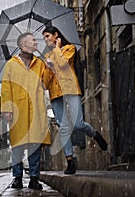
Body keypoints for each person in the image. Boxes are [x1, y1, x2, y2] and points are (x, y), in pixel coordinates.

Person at [42, 26, 107, 174]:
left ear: (56, 35)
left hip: (71, 90)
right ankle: (70, 161)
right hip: (55, 94)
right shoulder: (48, 56)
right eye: (44, 38)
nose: (46, 40)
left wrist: (57, 50)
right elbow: (45, 83)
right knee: (63, 127)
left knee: (78, 123)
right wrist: (48, 68)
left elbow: (64, 65)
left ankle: (94, 134)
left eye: (47, 36)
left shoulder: (69, 48)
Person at [1, 32, 51, 190]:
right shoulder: (11, 64)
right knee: (18, 146)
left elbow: (46, 84)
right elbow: (6, 88)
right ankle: (17, 177)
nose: (36, 43)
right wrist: (7, 109)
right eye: (33, 40)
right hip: (18, 110)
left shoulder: (40, 63)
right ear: (23, 45)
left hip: (36, 109)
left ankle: (34, 178)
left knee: (35, 145)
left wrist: (50, 68)